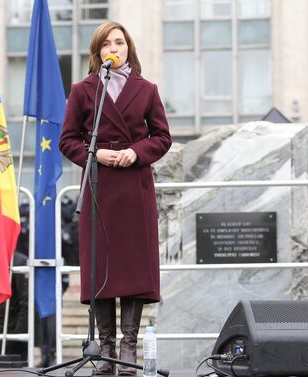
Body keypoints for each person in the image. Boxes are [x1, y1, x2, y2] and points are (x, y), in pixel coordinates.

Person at [59, 21, 172, 376]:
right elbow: (68, 140)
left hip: (135, 188)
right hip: (100, 185)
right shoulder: (83, 90)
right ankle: (105, 348)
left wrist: (136, 152)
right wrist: (96, 156)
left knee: (133, 269)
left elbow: (162, 137)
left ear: (128, 48)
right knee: (102, 268)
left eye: (120, 42)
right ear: (98, 51)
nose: (114, 47)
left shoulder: (147, 89)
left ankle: (129, 348)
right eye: (107, 43)